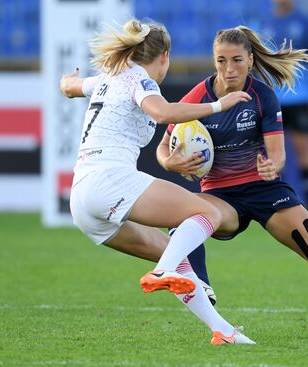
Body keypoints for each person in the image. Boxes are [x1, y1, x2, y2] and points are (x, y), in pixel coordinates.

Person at [157, 25, 308, 336]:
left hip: (266, 191)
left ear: (250, 60)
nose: (229, 68)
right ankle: (201, 285)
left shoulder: (262, 96)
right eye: (221, 60)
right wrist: (169, 161)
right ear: (213, 61)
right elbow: (164, 144)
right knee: (185, 213)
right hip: (221, 197)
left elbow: (278, 155)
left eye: (237, 60)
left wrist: (271, 166)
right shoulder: (199, 96)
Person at [60, 19, 255, 345]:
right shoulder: (140, 79)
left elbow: (68, 88)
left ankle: (222, 331)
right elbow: (161, 112)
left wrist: (71, 80)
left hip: (81, 196)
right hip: (111, 179)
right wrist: (219, 105)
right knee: (211, 214)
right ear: (164, 55)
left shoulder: (107, 77)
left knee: (177, 255)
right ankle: (163, 271)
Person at [263, 0, 308, 215]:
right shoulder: (261, 24)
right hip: (272, 98)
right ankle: (274, 199)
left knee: (304, 149)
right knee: (271, 151)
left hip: (300, 97)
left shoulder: (305, 23)